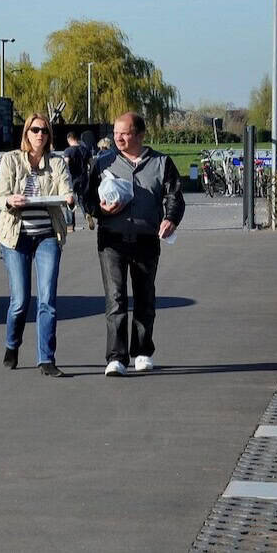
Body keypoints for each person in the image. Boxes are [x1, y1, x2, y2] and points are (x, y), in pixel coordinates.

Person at [84, 112, 185, 377]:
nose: (118, 137)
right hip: (111, 240)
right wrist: (100, 209)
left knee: (145, 297)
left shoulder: (162, 163)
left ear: (140, 135)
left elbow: (174, 196)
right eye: (116, 132)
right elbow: (88, 199)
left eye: (125, 133)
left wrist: (171, 219)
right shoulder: (103, 162)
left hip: (146, 239)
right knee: (115, 298)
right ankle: (116, 357)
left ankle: (142, 351)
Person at [0, 114, 75, 378]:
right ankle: (12, 344)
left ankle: (46, 359)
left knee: (48, 298)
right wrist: (10, 200)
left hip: (47, 236)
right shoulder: (11, 160)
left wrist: (70, 198)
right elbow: (0, 196)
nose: (40, 135)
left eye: (45, 131)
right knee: (20, 301)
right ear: (26, 133)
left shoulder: (57, 162)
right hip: (16, 236)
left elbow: (66, 189)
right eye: (35, 130)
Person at [61, 132, 92, 231]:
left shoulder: (68, 151)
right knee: (82, 200)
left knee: (70, 200)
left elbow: (66, 164)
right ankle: (87, 214)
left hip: (72, 179)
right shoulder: (86, 150)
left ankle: (70, 225)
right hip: (84, 178)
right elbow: (91, 164)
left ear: (69, 139)